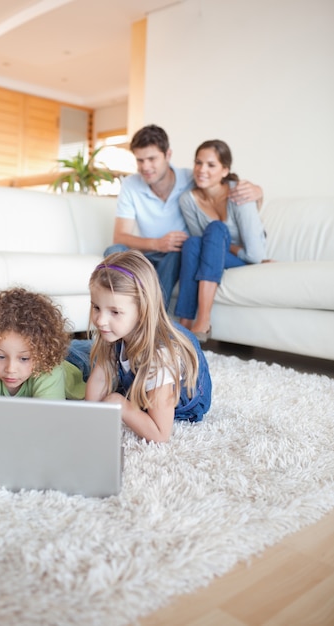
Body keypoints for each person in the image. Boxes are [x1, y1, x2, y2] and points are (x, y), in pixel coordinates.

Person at [104, 124, 263, 309]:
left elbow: (222, 185)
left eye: (151, 159)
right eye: (140, 160)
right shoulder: (131, 185)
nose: (145, 167)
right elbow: (120, 236)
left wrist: (259, 192)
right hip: (145, 256)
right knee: (114, 250)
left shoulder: (192, 178)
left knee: (179, 251)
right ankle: (119, 313)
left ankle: (154, 316)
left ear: (168, 155)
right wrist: (157, 244)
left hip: (175, 256)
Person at [85, 250, 212, 443]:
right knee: (78, 355)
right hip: (142, 370)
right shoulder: (114, 330)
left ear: (143, 309)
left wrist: (119, 403)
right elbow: (100, 378)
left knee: (82, 362)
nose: (100, 320)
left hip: (184, 402)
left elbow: (161, 434)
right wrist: (87, 416)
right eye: (96, 307)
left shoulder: (161, 356)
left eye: (115, 312)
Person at [175, 139, 268, 342]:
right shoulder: (187, 200)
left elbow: (255, 255)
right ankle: (184, 324)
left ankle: (204, 319)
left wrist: (228, 247)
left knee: (216, 229)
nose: (201, 170)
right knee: (191, 243)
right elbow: (201, 244)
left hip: (244, 258)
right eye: (198, 163)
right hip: (211, 255)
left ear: (225, 170)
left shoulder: (240, 194)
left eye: (211, 165)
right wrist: (218, 246)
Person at [0, 287, 90, 399]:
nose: (11, 369)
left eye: (24, 359)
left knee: (103, 349)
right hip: (55, 352)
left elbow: (46, 422)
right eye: (0, 356)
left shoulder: (49, 371)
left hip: (77, 360)